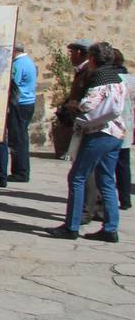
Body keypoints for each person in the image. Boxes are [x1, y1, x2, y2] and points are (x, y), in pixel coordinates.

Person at [50, 41, 127, 242]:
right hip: (115, 133)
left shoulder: (100, 80)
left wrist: (73, 105)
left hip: (99, 133)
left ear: (92, 58)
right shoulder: (118, 78)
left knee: (77, 177)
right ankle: (110, 228)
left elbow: (87, 105)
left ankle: (72, 226)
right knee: (107, 180)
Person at [5, 43, 38, 183]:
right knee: (21, 137)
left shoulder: (18, 64)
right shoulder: (28, 61)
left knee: (17, 139)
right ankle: (21, 170)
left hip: (20, 104)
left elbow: (12, 84)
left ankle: (20, 172)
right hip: (28, 103)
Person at [115, 49, 133, 211]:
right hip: (128, 124)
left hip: (114, 125)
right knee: (124, 164)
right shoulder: (131, 79)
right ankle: (125, 199)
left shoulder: (113, 79)